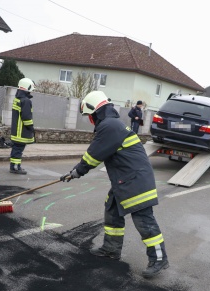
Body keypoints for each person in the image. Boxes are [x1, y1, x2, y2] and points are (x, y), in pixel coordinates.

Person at [60, 91, 169, 278]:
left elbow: (93, 155)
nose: (89, 120)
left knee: (144, 220)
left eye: (89, 116)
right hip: (126, 179)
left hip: (135, 181)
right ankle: (111, 249)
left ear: (95, 112)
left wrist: (76, 172)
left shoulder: (109, 126)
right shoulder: (112, 124)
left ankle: (159, 259)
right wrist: (77, 171)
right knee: (112, 207)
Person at [9, 78, 36, 175]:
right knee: (18, 150)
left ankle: (13, 166)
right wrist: (31, 128)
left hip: (16, 131)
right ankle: (16, 168)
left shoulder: (17, 99)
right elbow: (26, 117)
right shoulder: (26, 101)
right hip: (21, 132)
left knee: (15, 149)